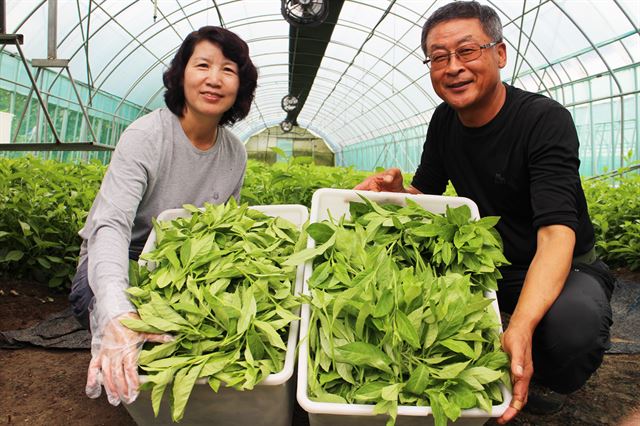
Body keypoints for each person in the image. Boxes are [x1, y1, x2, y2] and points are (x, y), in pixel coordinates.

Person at [354, 1, 614, 424]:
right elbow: (429, 196)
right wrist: (398, 192)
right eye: (439, 57)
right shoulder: (444, 121)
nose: (453, 66)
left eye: (467, 51)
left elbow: (555, 233)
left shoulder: (543, 120)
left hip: (562, 265)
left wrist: (523, 324)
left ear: (499, 54)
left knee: (572, 333)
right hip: (488, 264)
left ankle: (543, 376)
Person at [68, 26, 257, 407]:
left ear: (241, 85)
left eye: (229, 70)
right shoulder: (147, 136)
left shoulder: (234, 152)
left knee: (208, 326)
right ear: (181, 74)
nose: (214, 79)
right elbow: (110, 227)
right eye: (202, 65)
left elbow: (220, 235)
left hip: (179, 266)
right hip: (122, 260)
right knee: (135, 324)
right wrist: (117, 310)